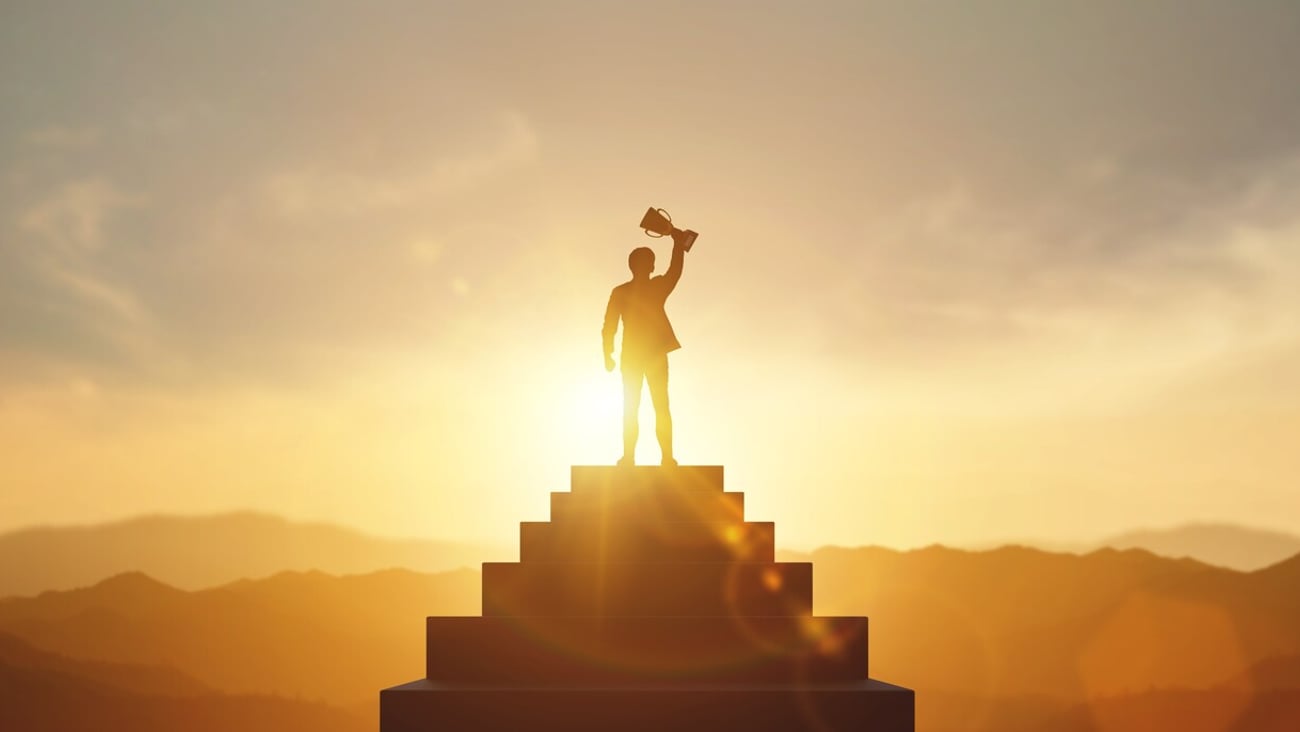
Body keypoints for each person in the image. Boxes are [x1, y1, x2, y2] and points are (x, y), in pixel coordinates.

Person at [601, 232, 689, 466]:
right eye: (649, 261)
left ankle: (660, 457)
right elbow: (609, 325)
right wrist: (678, 244)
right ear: (645, 266)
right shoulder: (633, 290)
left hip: (641, 355)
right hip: (641, 355)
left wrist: (607, 353)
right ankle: (642, 457)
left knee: (648, 406)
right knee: (646, 406)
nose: (651, 265)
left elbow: (608, 326)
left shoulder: (631, 290)